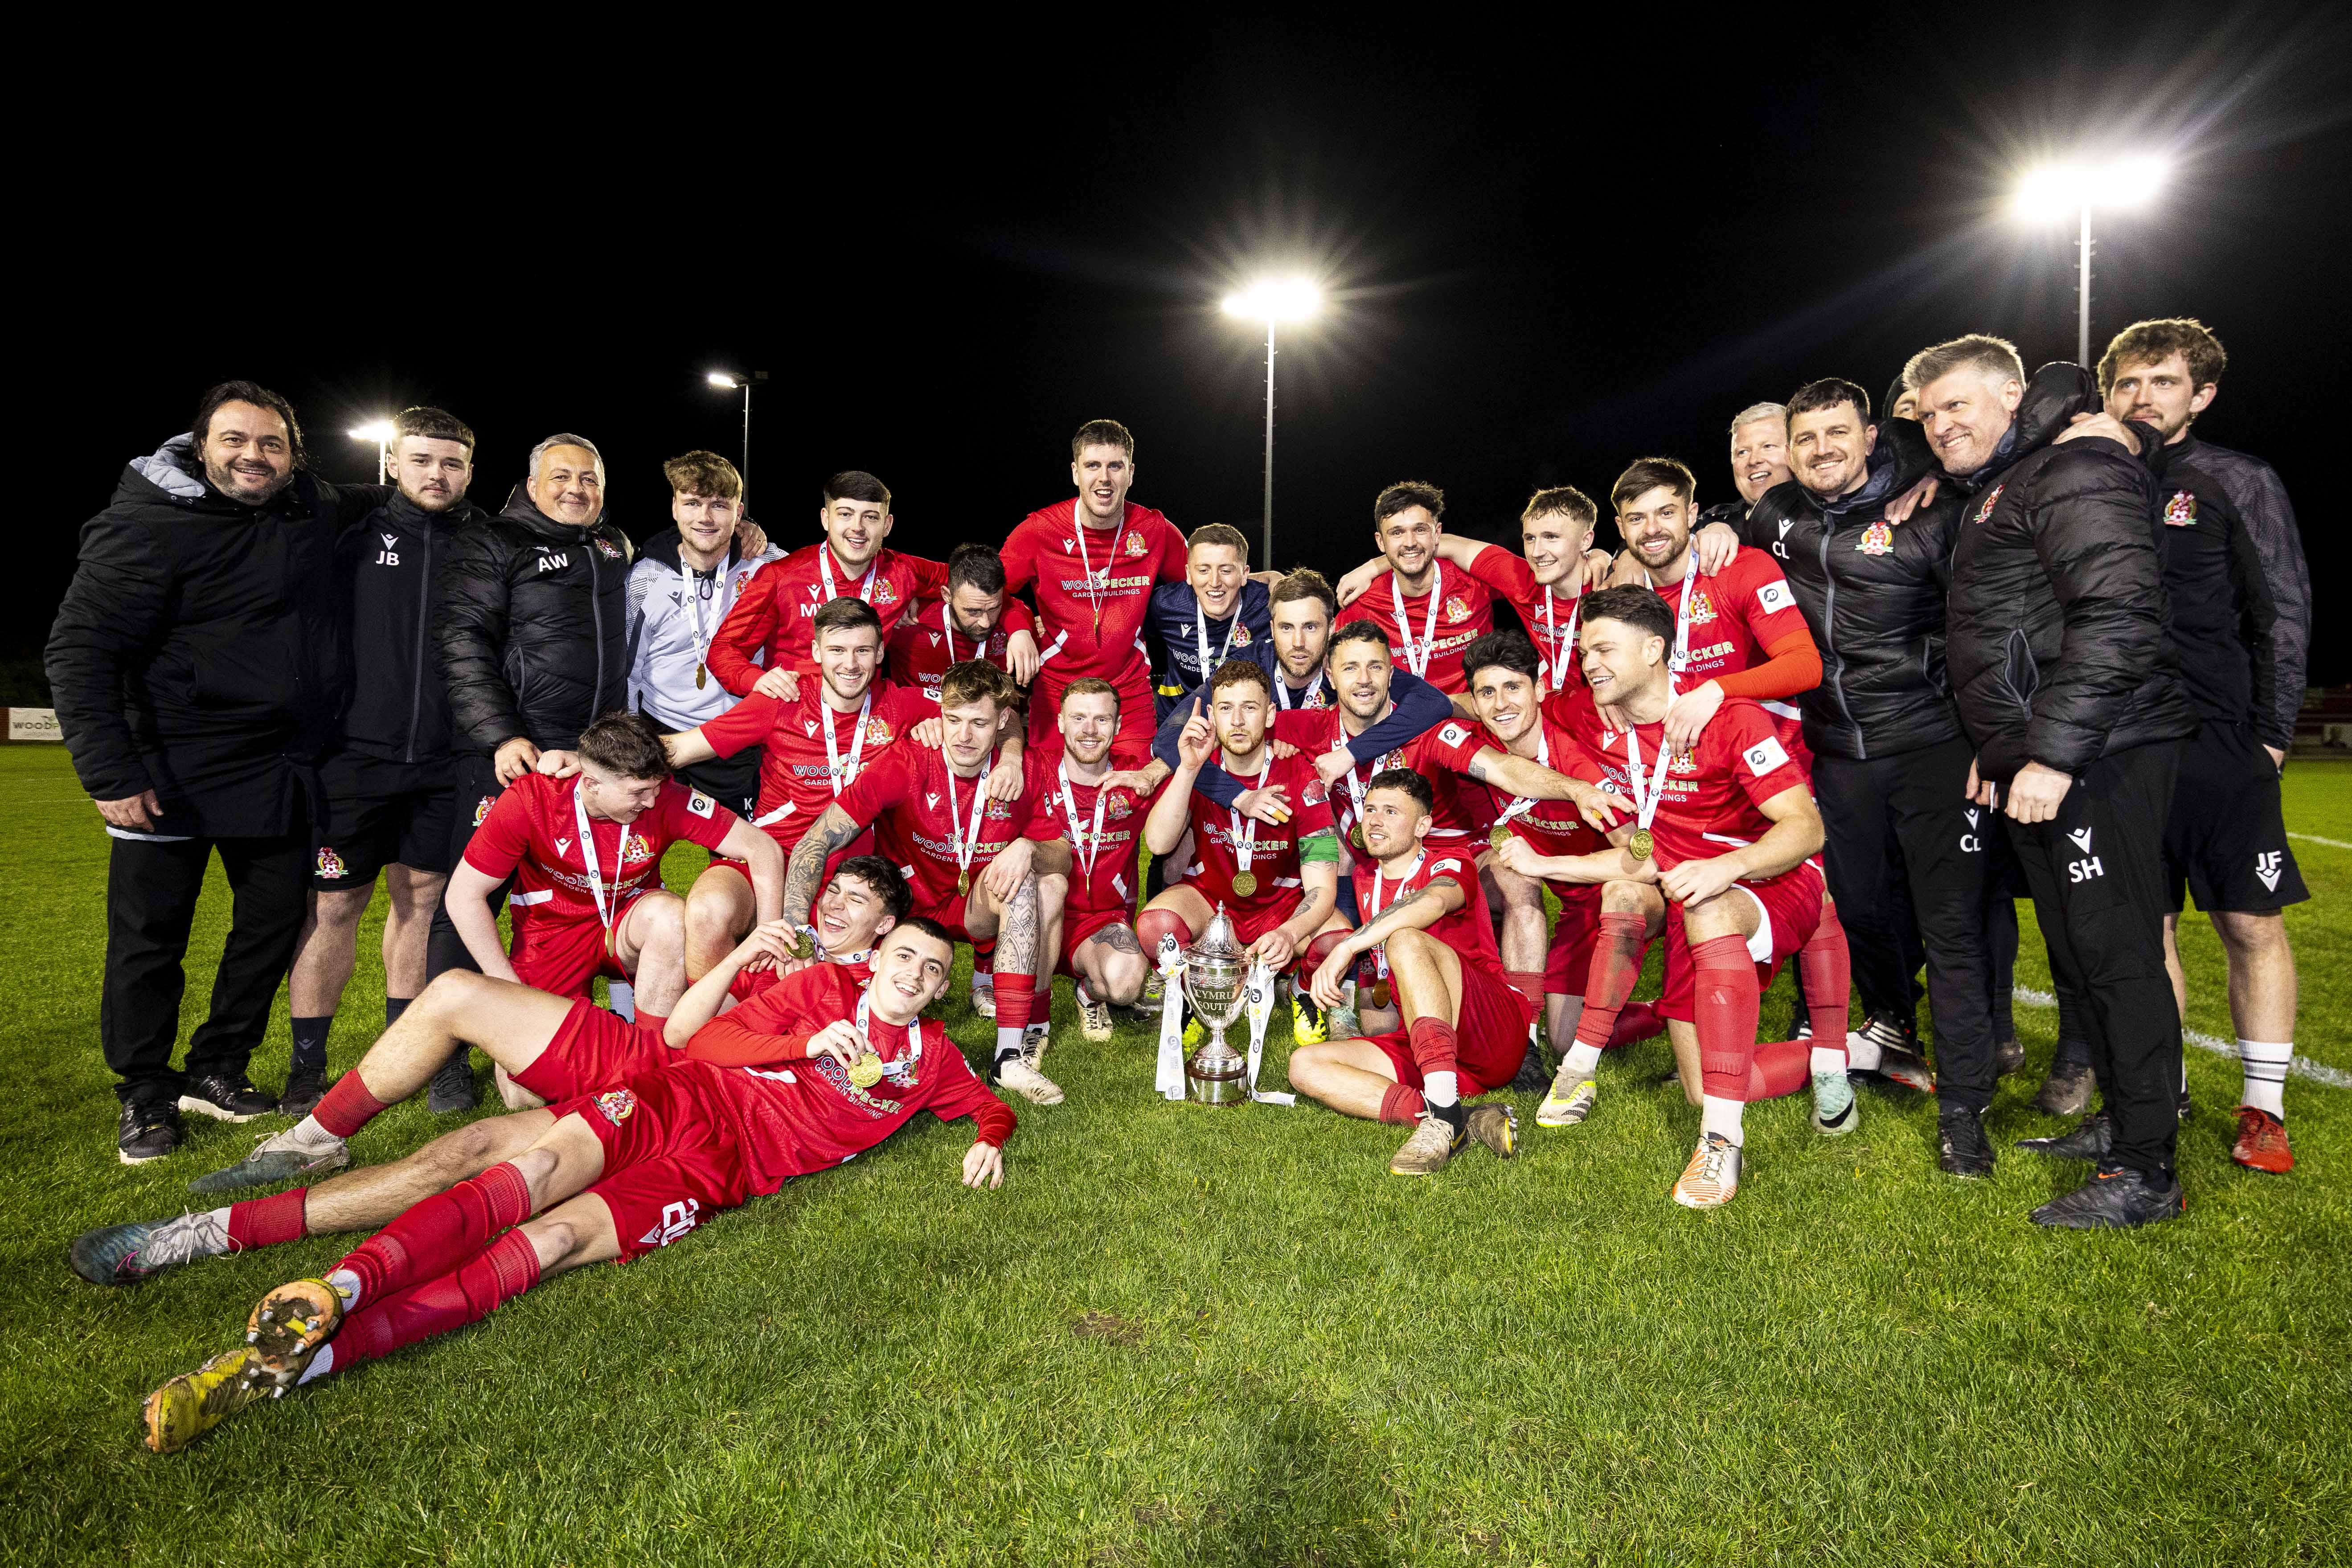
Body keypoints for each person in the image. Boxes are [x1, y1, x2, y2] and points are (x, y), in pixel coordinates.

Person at [123, 922, 1012, 1454]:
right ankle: (332, 1280)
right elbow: (703, 1046)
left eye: (933, 970)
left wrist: (990, 1138)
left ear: (939, 989)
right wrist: (801, 1043)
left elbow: (984, 1105)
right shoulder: (819, 987)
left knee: (545, 1241)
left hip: (712, 1170)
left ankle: (290, 1360)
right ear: (873, 954)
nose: (915, 974)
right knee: (513, 1161)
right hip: (674, 1091)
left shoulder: (928, 1059)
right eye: (904, 956)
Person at [135, 858, 906, 1208]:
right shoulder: (789, 945)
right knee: (454, 992)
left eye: (856, 902)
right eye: (832, 891)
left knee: (490, 1154)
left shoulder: (872, 988)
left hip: (688, 1099)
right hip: (648, 1049)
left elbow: (850, 1063)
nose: (834, 906)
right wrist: (744, 948)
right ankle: (314, 1135)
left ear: (888, 927)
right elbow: (677, 1021)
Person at [1928, 333, 2196, 1227]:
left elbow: (2116, 613)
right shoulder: (2008, 483)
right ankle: (2122, 1121)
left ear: (2011, 398)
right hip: (2043, 753)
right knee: (2081, 954)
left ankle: (2145, 1170)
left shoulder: (2073, 459)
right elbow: (2014, 633)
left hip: (2099, 754)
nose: (1939, 424)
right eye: (1928, 413)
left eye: (1957, 403)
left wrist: (2050, 751)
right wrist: (2000, 745)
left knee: (2116, 954)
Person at [48, 381, 348, 1163]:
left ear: (295, 455)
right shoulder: (147, 523)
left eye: (272, 443)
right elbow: (78, 650)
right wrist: (110, 770)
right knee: (150, 941)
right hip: (166, 769)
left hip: (278, 768)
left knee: (269, 926)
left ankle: (217, 1066)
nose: (254, 455)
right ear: (200, 445)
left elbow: (381, 499)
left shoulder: (309, 507)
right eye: (235, 440)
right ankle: (144, 1091)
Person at [1704, 379, 2005, 1140]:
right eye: (1803, 438)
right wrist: (1714, 528)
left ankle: (1964, 1106)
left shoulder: (1929, 509)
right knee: (1859, 909)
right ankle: (1893, 1028)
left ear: (1872, 436)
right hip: (1839, 750)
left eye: (1837, 433)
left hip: (1930, 741)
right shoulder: (1777, 516)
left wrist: (1992, 737)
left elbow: (1980, 626)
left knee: (1952, 924)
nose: (1819, 450)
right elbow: (1709, 523)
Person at [1512, 588, 1848, 1208]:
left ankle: (1720, 1143)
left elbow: (1805, 828)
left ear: (1654, 649)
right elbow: (1512, 710)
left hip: (1767, 882)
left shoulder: (1729, 718)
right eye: (1584, 651)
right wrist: (1536, 860)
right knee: (1712, 1081)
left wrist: (1730, 865)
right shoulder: (1596, 722)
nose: (1588, 663)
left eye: (1604, 649)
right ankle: (1834, 1052)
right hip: (1692, 893)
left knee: (1704, 905)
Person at [2098, 317, 2307, 1174]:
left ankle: (2263, 1107)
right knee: (2145, 933)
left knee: (2247, 922)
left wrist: (2270, 737)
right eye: (2127, 383)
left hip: (2220, 743)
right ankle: (2167, 1085)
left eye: (2162, 382)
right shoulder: (2092, 479)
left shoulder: (2233, 478)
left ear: (2201, 393)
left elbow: (2281, 611)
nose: (2142, 398)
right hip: (2122, 746)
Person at [282, 407, 484, 1118]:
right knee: (336, 903)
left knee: (423, 900)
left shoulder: (485, 540)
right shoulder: (352, 531)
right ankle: (308, 1067)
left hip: (443, 759)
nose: (439, 473)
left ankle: (401, 1050)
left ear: (469, 469)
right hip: (353, 756)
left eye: (453, 461)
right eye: (423, 459)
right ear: (393, 463)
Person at [426, 432, 635, 1106]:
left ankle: (580, 1031)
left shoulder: (611, 545)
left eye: (590, 478)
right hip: (516, 752)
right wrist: (500, 734)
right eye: (562, 476)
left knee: (587, 891)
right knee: (474, 894)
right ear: (531, 481)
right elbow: (462, 640)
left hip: (589, 756)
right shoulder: (496, 541)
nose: (577, 488)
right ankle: (446, 1056)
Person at [779, 663, 1073, 1105]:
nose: (964, 736)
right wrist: (794, 934)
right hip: (908, 909)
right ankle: (822, 1003)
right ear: (940, 714)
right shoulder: (908, 759)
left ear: (1002, 722)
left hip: (976, 904)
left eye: (979, 723)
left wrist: (1029, 847)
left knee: (1036, 883)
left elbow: (1063, 858)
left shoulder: (1022, 769)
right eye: (954, 720)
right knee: (856, 903)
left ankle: (1008, 1055)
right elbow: (814, 841)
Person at [662, 598, 949, 985]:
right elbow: (681, 748)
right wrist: (594, 758)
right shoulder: (782, 702)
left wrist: (1008, 752)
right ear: (816, 652)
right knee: (707, 911)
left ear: (881, 652)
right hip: (770, 861)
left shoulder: (904, 705)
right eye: (837, 650)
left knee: (837, 989)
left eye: (863, 650)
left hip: (852, 878)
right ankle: (710, 1028)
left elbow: (996, 716)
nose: (850, 664)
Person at [1293, 770, 1527, 1175]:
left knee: (1404, 937)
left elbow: (1434, 902)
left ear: (1423, 825)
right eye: (1369, 809)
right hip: (1432, 1038)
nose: (1374, 820)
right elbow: (1381, 977)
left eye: (1391, 811)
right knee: (1305, 1066)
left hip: (1491, 1029)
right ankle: (1453, 1116)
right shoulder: (1368, 877)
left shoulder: (1452, 861)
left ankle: (1443, 1118)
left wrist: (1350, 944)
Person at [1136, 661, 1348, 1037]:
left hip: (1280, 904)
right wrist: (1186, 769)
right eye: (1225, 708)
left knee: (1336, 938)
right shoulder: (1201, 765)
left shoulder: (1302, 774)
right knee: (1157, 927)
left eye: (1249, 708)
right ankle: (1196, 995)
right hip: (1212, 901)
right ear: (1212, 714)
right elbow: (1157, 842)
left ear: (1269, 715)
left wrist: (1289, 932)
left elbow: (1322, 886)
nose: (1236, 720)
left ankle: (1302, 990)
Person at [1000, 420, 1190, 764]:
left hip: (1128, 695)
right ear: (1076, 472)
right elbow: (990, 592)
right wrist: (1020, 627)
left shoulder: (1154, 530)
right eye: (1093, 466)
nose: (1104, 478)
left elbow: (1205, 582)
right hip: (1057, 692)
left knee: (1135, 799)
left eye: (1115, 466)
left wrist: (1260, 581)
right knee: (1053, 805)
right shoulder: (1038, 530)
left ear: (1130, 473)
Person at [705, 471, 999, 694]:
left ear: (887, 525)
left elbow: (981, 585)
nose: (857, 528)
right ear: (826, 518)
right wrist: (756, 680)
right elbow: (724, 649)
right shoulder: (782, 576)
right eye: (845, 514)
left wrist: (1021, 626)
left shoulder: (904, 571)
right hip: (795, 718)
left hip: (868, 722)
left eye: (870, 517)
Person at [624, 449, 783, 819]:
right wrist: (632, 745)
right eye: (693, 503)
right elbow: (628, 673)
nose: (705, 518)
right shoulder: (645, 578)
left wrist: (913, 602)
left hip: (738, 740)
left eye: (719, 505)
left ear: (739, 512)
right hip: (662, 738)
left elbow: (830, 579)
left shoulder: (769, 565)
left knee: (732, 860)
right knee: (660, 862)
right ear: (675, 507)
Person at [1036, 678, 1162, 1040]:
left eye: (1102, 720)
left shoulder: (1134, 778)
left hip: (1101, 924)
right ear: (1059, 721)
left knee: (1126, 985)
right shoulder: (1033, 772)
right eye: (1078, 718)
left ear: (1119, 726)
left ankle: (1089, 993)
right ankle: (1024, 1012)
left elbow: (1184, 757)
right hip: (1038, 919)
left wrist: (1155, 773)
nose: (1089, 730)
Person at [1328, 481, 1495, 694]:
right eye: (1397, 533)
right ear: (1381, 542)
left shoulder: (1475, 582)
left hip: (1473, 723)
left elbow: (1532, 581)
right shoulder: (1362, 605)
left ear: (1437, 533)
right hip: (1401, 724)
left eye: (1420, 530)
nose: (1410, 542)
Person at [1145, 523, 1274, 720]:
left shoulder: (1268, 605)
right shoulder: (1165, 604)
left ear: (1244, 574)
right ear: (1189, 574)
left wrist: (1277, 579)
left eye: (1226, 571)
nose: (1214, 582)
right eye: (1204, 570)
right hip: (1177, 720)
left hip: (1242, 722)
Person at [885, 542, 1038, 707]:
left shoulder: (1019, 627)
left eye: (994, 609)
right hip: (916, 726)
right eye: (973, 611)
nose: (985, 623)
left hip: (985, 725)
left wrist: (1021, 631)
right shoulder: (909, 621)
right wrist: (896, 604)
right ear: (947, 595)